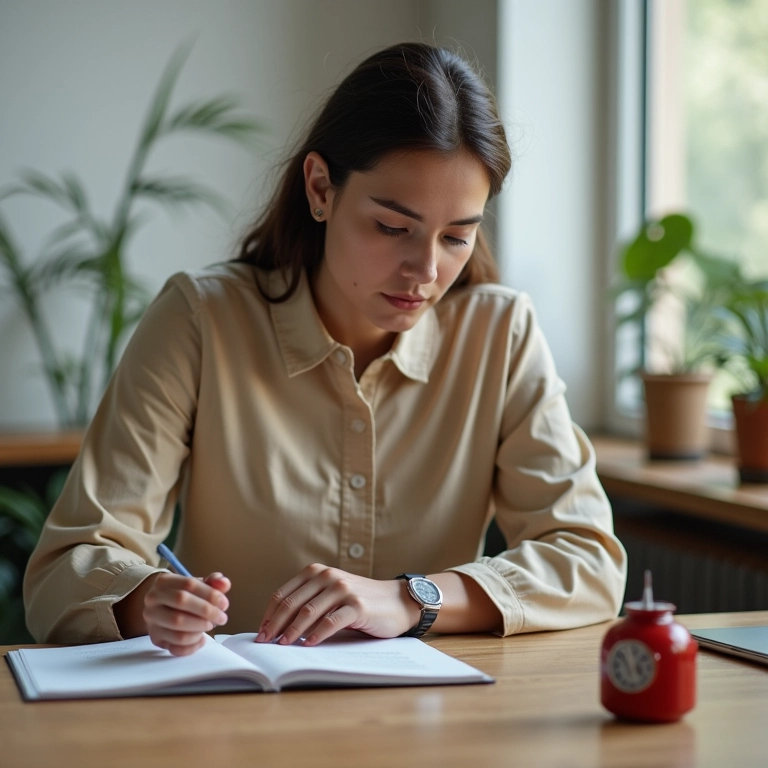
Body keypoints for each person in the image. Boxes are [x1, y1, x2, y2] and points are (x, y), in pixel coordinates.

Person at [24, 42, 627, 656]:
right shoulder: (202, 320)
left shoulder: (501, 334)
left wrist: (410, 598)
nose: (424, 269)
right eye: (393, 227)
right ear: (320, 188)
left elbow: (587, 560)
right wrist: (146, 600)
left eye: (456, 237)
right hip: (234, 718)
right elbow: (64, 569)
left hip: (432, 724)